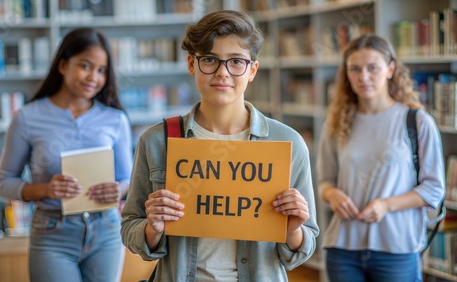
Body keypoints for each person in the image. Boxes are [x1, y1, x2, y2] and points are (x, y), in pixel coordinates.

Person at [121, 10, 319, 281]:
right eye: (210, 60)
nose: (222, 73)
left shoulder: (288, 143)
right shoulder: (157, 141)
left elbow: (303, 248)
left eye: (236, 61)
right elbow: (131, 229)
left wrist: (293, 231)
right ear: (192, 64)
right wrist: (152, 228)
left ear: (252, 70)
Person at [0, 27, 133, 282]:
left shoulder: (116, 119)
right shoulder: (27, 117)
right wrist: (46, 190)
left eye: (102, 70)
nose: (94, 77)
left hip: (107, 231)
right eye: (85, 66)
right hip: (52, 234)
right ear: (62, 65)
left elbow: (128, 178)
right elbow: (4, 184)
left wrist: (119, 190)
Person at [316, 34, 445, 282]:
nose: (363, 77)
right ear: (347, 74)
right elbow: (325, 182)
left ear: (390, 69)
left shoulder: (417, 121)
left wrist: (386, 205)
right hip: (343, 249)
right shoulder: (336, 124)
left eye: (372, 68)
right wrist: (332, 195)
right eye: (355, 69)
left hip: (396, 249)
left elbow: (434, 189)